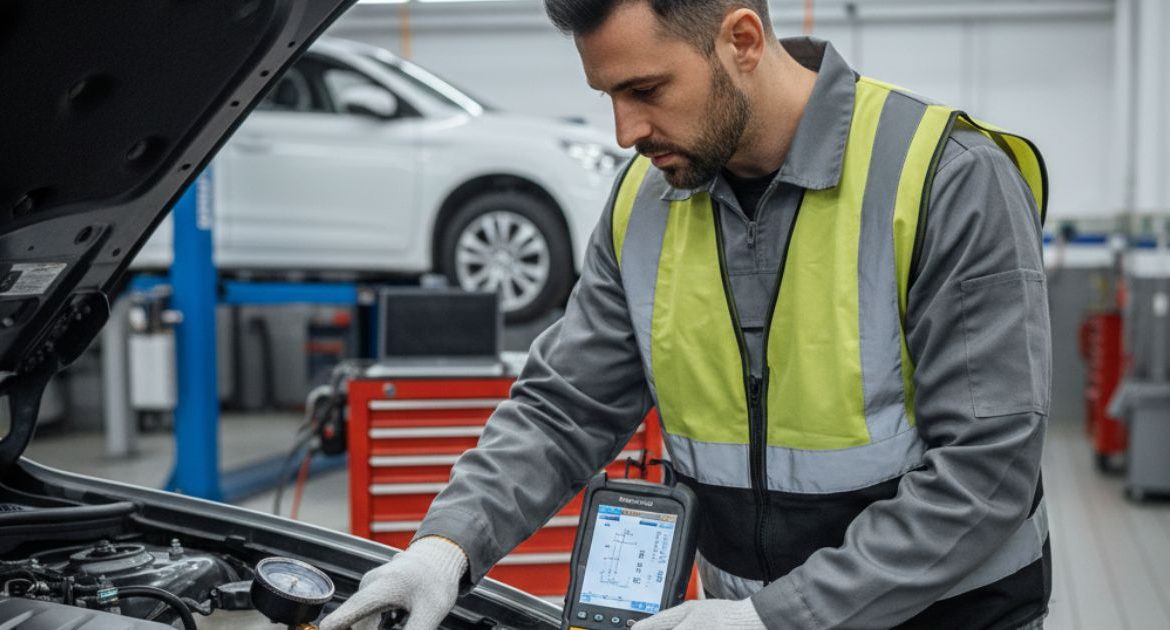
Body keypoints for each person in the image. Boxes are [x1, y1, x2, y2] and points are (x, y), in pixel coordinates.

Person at [321, 1, 1052, 629]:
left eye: (646, 88)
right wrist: (444, 547)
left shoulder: (947, 179)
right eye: (609, 93)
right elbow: (562, 409)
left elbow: (985, 472)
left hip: (944, 614)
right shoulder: (642, 202)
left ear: (741, 40)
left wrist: (776, 618)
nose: (624, 130)